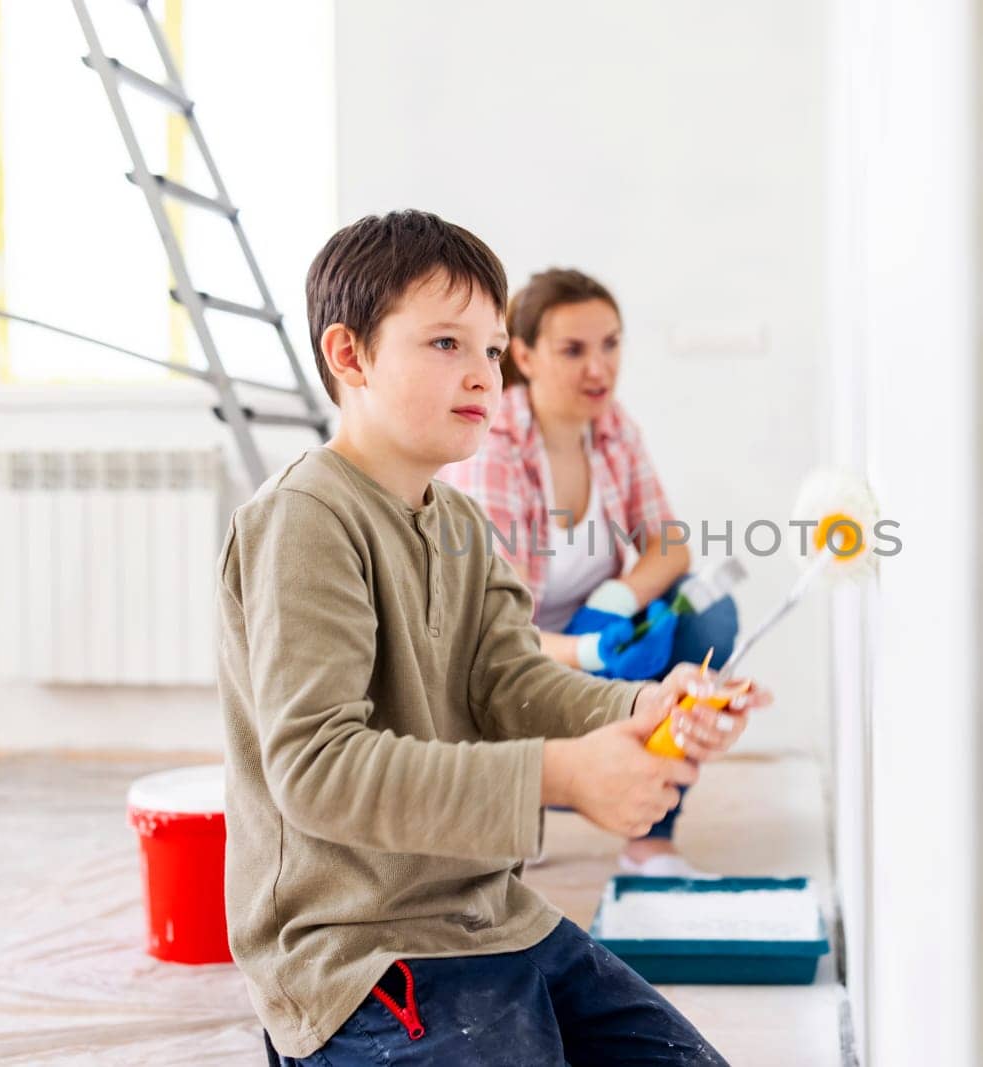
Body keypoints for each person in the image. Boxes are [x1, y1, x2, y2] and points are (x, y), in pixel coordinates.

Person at [218, 211, 768, 1065]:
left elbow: (512, 679)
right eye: (446, 343)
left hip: (489, 913)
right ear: (350, 354)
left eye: (491, 347)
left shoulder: (460, 522)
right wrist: (563, 773)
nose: (482, 373)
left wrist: (643, 701)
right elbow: (316, 770)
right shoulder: (305, 520)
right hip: (359, 952)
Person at [441, 268, 739, 878]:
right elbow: (485, 629)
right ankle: (522, 800)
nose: (598, 369)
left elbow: (670, 545)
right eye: (573, 350)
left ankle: (651, 839)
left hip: (594, 633)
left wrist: (614, 597)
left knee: (707, 613)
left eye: (611, 344)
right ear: (522, 354)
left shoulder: (612, 428)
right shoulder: (494, 446)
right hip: (494, 650)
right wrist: (586, 648)